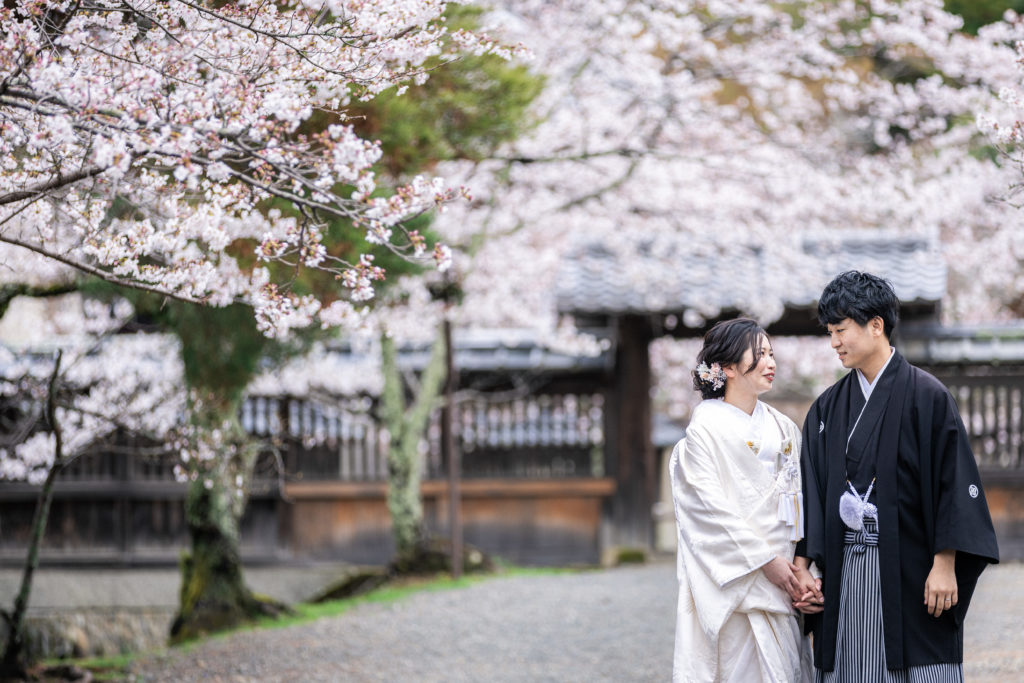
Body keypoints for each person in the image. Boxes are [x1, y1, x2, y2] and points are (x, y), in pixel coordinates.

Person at [795, 271, 999, 682]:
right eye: (830, 332)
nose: (834, 342)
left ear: (876, 326)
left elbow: (953, 484)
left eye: (841, 330)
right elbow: (811, 494)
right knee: (849, 661)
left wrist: (945, 562)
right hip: (845, 566)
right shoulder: (827, 409)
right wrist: (806, 567)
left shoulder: (928, 397)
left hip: (912, 566)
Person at [670, 318, 818, 683]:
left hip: (785, 583)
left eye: (772, 353)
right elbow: (706, 511)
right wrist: (766, 560)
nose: (771, 363)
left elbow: (803, 504)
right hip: (737, 584)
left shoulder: (784, 428)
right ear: (729, 368)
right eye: (760, 354)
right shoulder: (702, 434)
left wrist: (805, 570)